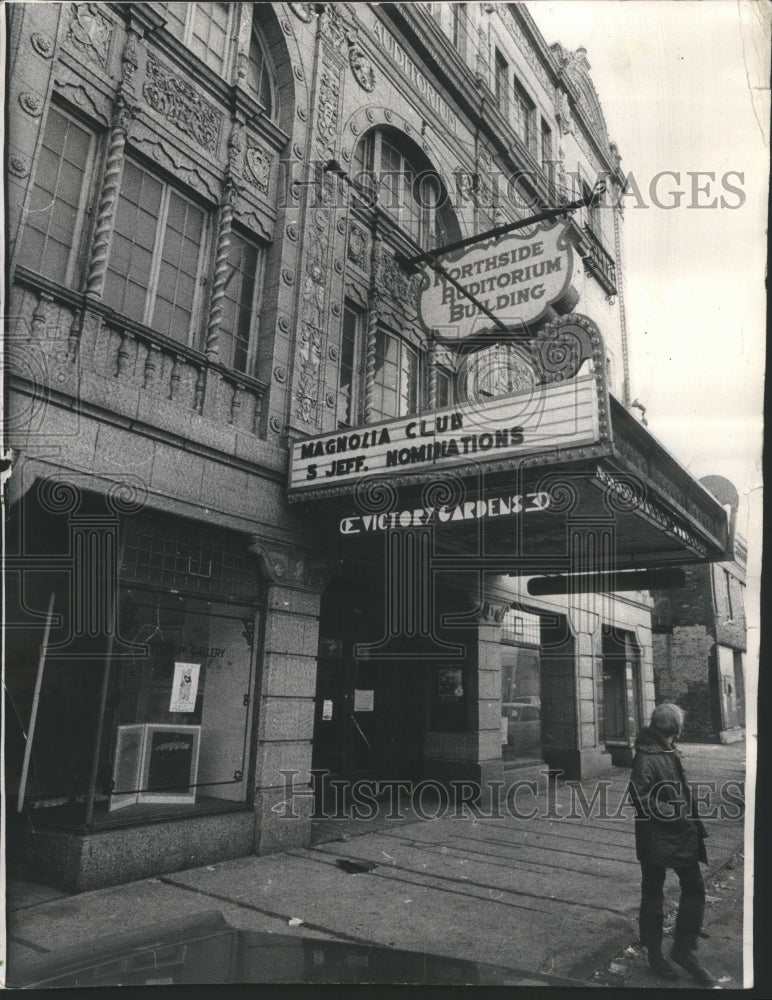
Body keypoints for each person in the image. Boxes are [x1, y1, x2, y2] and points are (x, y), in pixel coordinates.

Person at [629, 703, 713, 987]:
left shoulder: (666, 749)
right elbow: (640, 797)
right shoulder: (647, 756)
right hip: (658, 836)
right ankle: (656, 954)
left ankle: (683, 949)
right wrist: (676, 813)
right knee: (654, 895)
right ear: (675, 727)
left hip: (679, 835)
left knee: (693, 887)